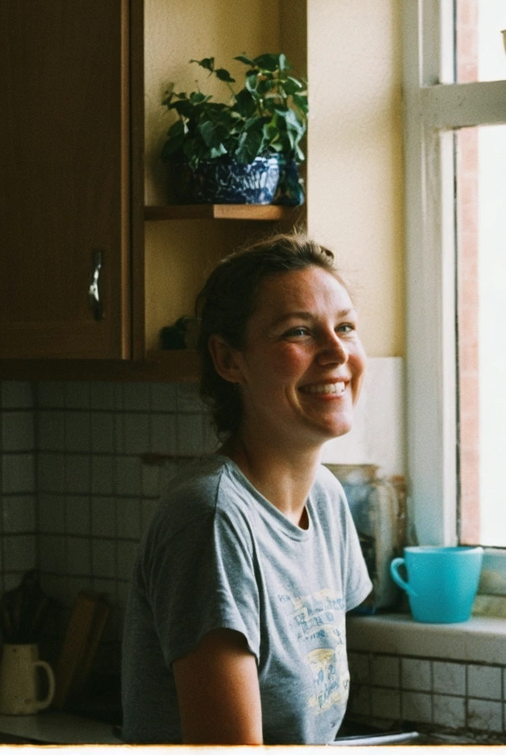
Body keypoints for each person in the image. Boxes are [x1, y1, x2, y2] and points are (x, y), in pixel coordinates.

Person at [120, 234, 372, 744]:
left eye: (344, 327)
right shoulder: (211, 518)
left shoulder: (325, 499)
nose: (336, 352)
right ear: (229, 360)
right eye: (299, 332)